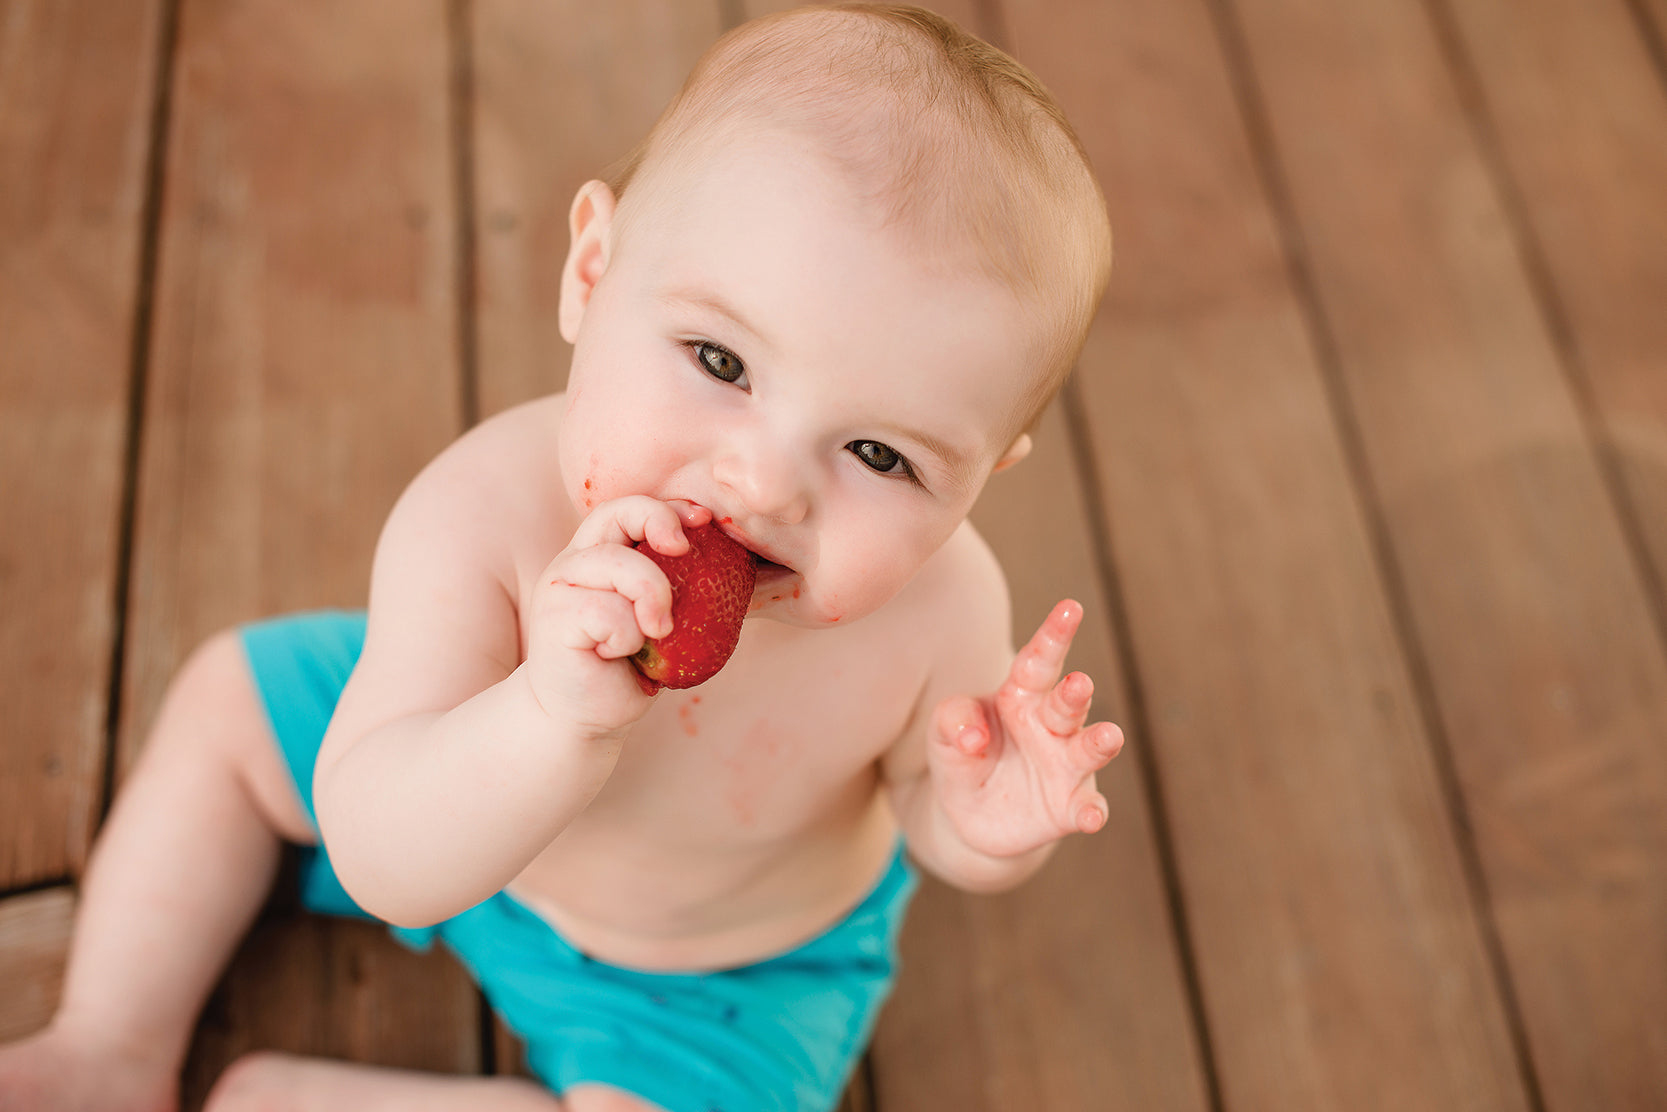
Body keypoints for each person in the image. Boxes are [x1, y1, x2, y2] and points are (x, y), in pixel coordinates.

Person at [0, 4, 1118, 1110]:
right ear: (591, 271)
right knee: (229, 708)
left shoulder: (944, 604)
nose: (763, 484)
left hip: (718, 975)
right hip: (442, 787)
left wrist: (979, 829)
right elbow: (387, 849)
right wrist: (545, 711)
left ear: (982, 475)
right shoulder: (485, 510)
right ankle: (109, 1039)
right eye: (719, 360)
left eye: (879, 452)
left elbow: (922, 806)